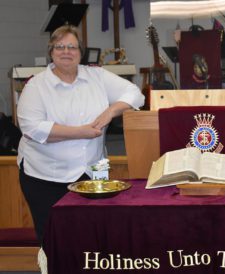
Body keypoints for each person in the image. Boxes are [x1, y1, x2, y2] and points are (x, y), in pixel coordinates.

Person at [17, 25, 144, 244]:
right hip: (45, 176)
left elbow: (135, 94)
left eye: (72, 47)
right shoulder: (36, 86)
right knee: (54, 238)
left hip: (91, 173)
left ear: (80, 52)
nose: (66, 51)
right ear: (51, 51)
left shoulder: (97, 76)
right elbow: (32, 128)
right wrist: (80, 133)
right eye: (60, 46)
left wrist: (110, 111)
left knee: (91, 235)